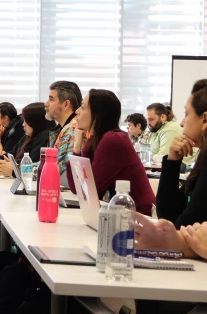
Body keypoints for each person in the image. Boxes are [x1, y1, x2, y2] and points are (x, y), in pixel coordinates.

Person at [66, 89, 154, 215]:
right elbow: (77, 188)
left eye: (83, 107)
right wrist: (77, 146)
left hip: (139, 219)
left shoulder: (114, 140)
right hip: (122, 215)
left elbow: (89, 191)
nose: (77, 111)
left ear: (98, 114)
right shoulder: (96, 140)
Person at [154, 81, 207, 228]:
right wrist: (172, 161)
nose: (182, 123)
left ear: (205, 119)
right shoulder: (203, 158)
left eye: (187, 114)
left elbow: (185, 225)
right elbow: (167, 216)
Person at [0, 102, 54, 177]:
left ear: (36, 122)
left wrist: (14, 167)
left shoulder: (45, 138)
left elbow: (32, 166)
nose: (23, 124)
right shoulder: (28, 137)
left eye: (26, 121)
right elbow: (10, 155)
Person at [44, 81, 83, 183]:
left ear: (66, 104)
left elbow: (57, 169)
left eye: (51, 99)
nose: (46, 103)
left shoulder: (72, 129)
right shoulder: (63, 128)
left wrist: (20, 169)